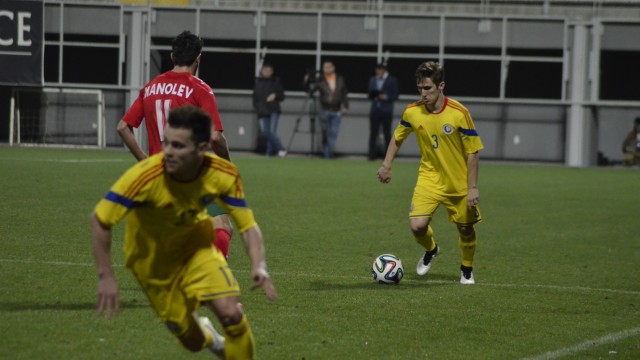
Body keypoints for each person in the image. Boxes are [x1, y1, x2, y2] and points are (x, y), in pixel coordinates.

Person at [92, 105, 277, 359]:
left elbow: (248, 225)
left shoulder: (223, 174)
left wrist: (259, 265)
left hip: (198, 252)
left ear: (202, 149)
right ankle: (209, 336)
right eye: (166, 143)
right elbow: (100, 219)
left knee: (233, 315)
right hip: (154, 266)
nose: (167, 152)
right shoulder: (144, 176)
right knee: (193, 341)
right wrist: (106, 277)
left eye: (178, 146)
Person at [116, 30, 233, 259]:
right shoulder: (200, 88)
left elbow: (123, 127)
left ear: (172, 57)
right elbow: (216, 138)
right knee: (222, 228)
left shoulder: (150, 88)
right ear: (198, 58)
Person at [376, 61, 484, 285]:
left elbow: (473, 151)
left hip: (458, 182)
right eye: (420, 88)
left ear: (441, 85)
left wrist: (472, 187)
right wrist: (387, 165)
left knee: (465, 229)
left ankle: (466, 268)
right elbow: (397, 138)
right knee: (417, 226)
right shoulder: (412, 112)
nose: (423, 93)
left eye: (428, 88)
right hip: (429, 178)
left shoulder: (459, 113)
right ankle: (432, 249)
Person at [313, 60, 349, 159]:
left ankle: (329, 154)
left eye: (329, 67)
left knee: (333, 133)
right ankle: (326, 153)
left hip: (336, 110)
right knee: (325, 132)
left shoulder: (340, 79)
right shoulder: (320, 79)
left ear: (333, 68)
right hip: (324, 109)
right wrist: (308, 80)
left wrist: (345, 106)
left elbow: (344, 94)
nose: (327, 69)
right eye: (325, 67)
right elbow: (311, 90)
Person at [252, 63, 287, 157]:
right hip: (262, 111)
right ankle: (280, 148)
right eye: (265, 70)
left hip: (273, 110)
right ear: (262, 71)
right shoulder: (258, 83)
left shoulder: (276, 82)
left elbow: (282, 96)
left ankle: (270, 152)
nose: (267, 72)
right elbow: (255, 98)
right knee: (265, 132)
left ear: (272, 72)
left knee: (272, 132)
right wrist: (258, 107)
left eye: (269, 71)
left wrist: (275, 95)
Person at [367, 63, 399, 161]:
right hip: (375, 110)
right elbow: (369, 94)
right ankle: (371, 155)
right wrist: (374, 95)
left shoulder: (392, 80)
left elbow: (395, 95)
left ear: (384, 70)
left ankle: (388, 156)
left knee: (387, 133)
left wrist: (385, 97)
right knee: (373, 132)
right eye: (377, 70)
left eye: (379, 70)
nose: (378, 72)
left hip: (386, 110)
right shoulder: (372, 79)